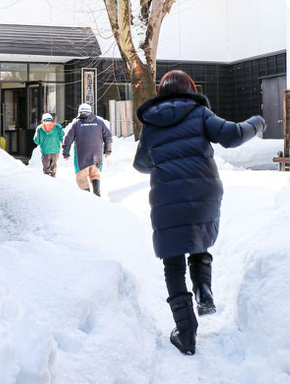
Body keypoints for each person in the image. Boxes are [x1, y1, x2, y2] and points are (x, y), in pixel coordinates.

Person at [133, 70, 266, 355]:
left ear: (161, 92)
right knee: (198, 241)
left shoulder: (151, 124)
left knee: (173, 262)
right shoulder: (199, 113)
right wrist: (256, 123)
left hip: (167, 197)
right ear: (190, 89)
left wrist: (161, 157)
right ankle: (204, 292)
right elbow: (231, 135)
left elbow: (141, 165)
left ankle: (186, 332)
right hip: (203, 192)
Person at [62, 103, 113, 196]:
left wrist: (66, 153)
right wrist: (108, 151)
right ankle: (97, 193)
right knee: (95, 175)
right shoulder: (99, 122)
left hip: (82, 157)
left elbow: (68, 139)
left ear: (80, 112)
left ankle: (88, 198)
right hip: (97, 157)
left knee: (81, 179)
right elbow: (108, 137)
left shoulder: (77, 124)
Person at [33, 112, 65, 177]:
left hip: (45, 151)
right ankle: (53, 178)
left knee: (46, 169)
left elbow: (36, 141)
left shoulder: (40, 128)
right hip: (55, 151)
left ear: (43, 120)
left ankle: (47, 181)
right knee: (53, 167)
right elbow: (63, 137)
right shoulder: (57, 127)